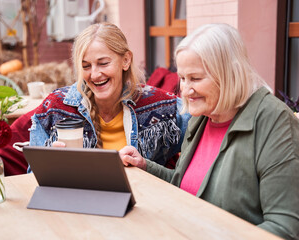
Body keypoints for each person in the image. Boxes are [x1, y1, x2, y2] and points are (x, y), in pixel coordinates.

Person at [120, 23, 299, 239]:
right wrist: (145, 165)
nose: (185, 90)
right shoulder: (202, 117)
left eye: (195, 78)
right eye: (183, 79)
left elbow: (284, 227)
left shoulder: (274, 121)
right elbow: (186, 186)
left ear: (230, 73)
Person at [29, 22, 191, 167]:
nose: (94, 74)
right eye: (86, 66)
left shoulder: (161, 106)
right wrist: (50, 165)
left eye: (103, 63)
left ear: (126, 60)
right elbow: (33, 175)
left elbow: (202, 130)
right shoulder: (55, 108)